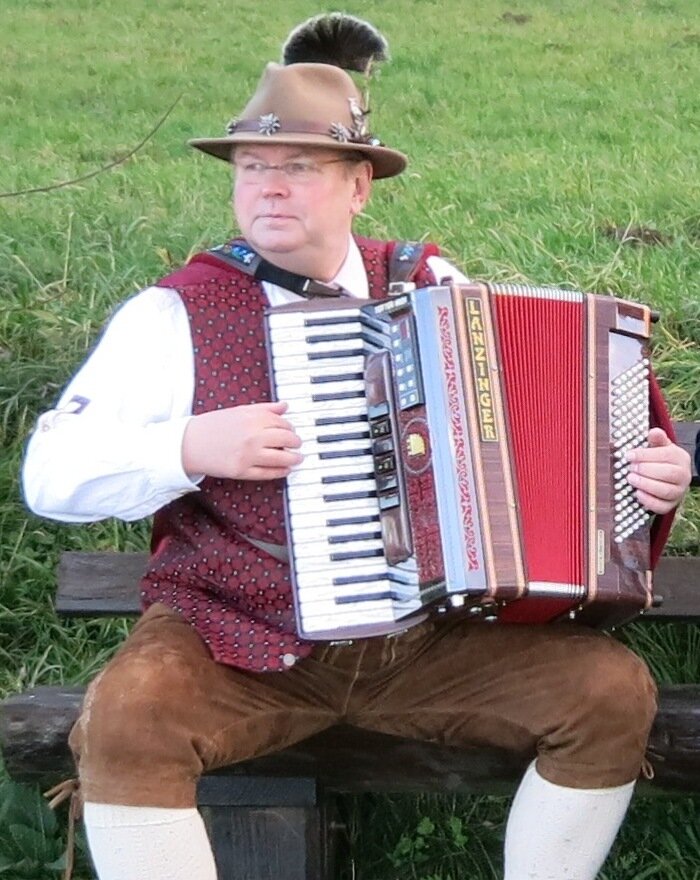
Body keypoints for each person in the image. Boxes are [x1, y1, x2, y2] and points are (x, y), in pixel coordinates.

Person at [22, 13, 692, 880]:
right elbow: (50, 474)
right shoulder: (174, 313)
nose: (268, 188)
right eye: (253, 168)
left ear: (358, 188)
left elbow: (544, 437)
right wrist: (186, 445)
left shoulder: (432, 287)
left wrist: (644, 475)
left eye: (299, 168)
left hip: (430, 639)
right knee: (128, 717)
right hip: (239, 635)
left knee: (610, 695)